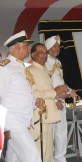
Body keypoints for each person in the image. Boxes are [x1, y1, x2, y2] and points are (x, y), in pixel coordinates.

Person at [0, 30, 42, 162]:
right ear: (17, 47)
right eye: (26, 45)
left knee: (14, 158)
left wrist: (35, 101)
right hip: (12, 121)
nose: (29, 48)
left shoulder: (20, 67)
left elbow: (22, 92)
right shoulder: (4, 68)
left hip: (23, 121)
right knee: (32, 156)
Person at [26, 43, 69, 162]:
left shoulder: (45, 69)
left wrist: (56, 98)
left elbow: (49, 89)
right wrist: (54, 93)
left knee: (49, 150)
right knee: (39, 150)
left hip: (50, 115)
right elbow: (34, 94)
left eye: (45, 53)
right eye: (41, 53)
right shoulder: (29, 71)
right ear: (33, 55)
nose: (44, 56)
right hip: (39, 117)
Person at [45, 35, 76, 162]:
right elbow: (46, 84)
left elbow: (60, 81)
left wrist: (69, 91)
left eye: (58, 46)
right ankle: (50, 159)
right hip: (51, 101)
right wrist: (56, 98)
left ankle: (60, 158)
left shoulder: (58, 62)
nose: (58, 48)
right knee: (50, 133)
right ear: (48, 48)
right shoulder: (44, 62)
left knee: (61, 132)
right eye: (55, 46)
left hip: (61, 101)